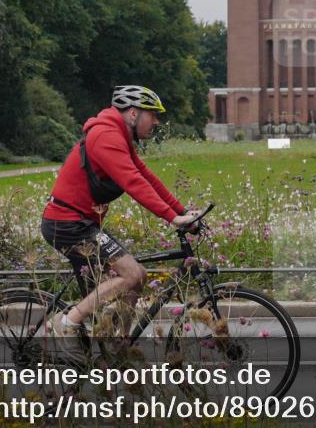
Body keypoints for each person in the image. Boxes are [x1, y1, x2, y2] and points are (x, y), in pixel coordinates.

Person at [40, 85, 200, 349]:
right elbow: (133, 182)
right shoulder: (105, 136)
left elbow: (147, 176)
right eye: (153, 114)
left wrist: (181, 212)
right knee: (132, 274)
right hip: (68, 224)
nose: (157, 121)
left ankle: (116, 348)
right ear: (134, 114)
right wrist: (172, 218)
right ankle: (66, 322)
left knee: (137, 279)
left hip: (82, 222)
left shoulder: (118, 136)